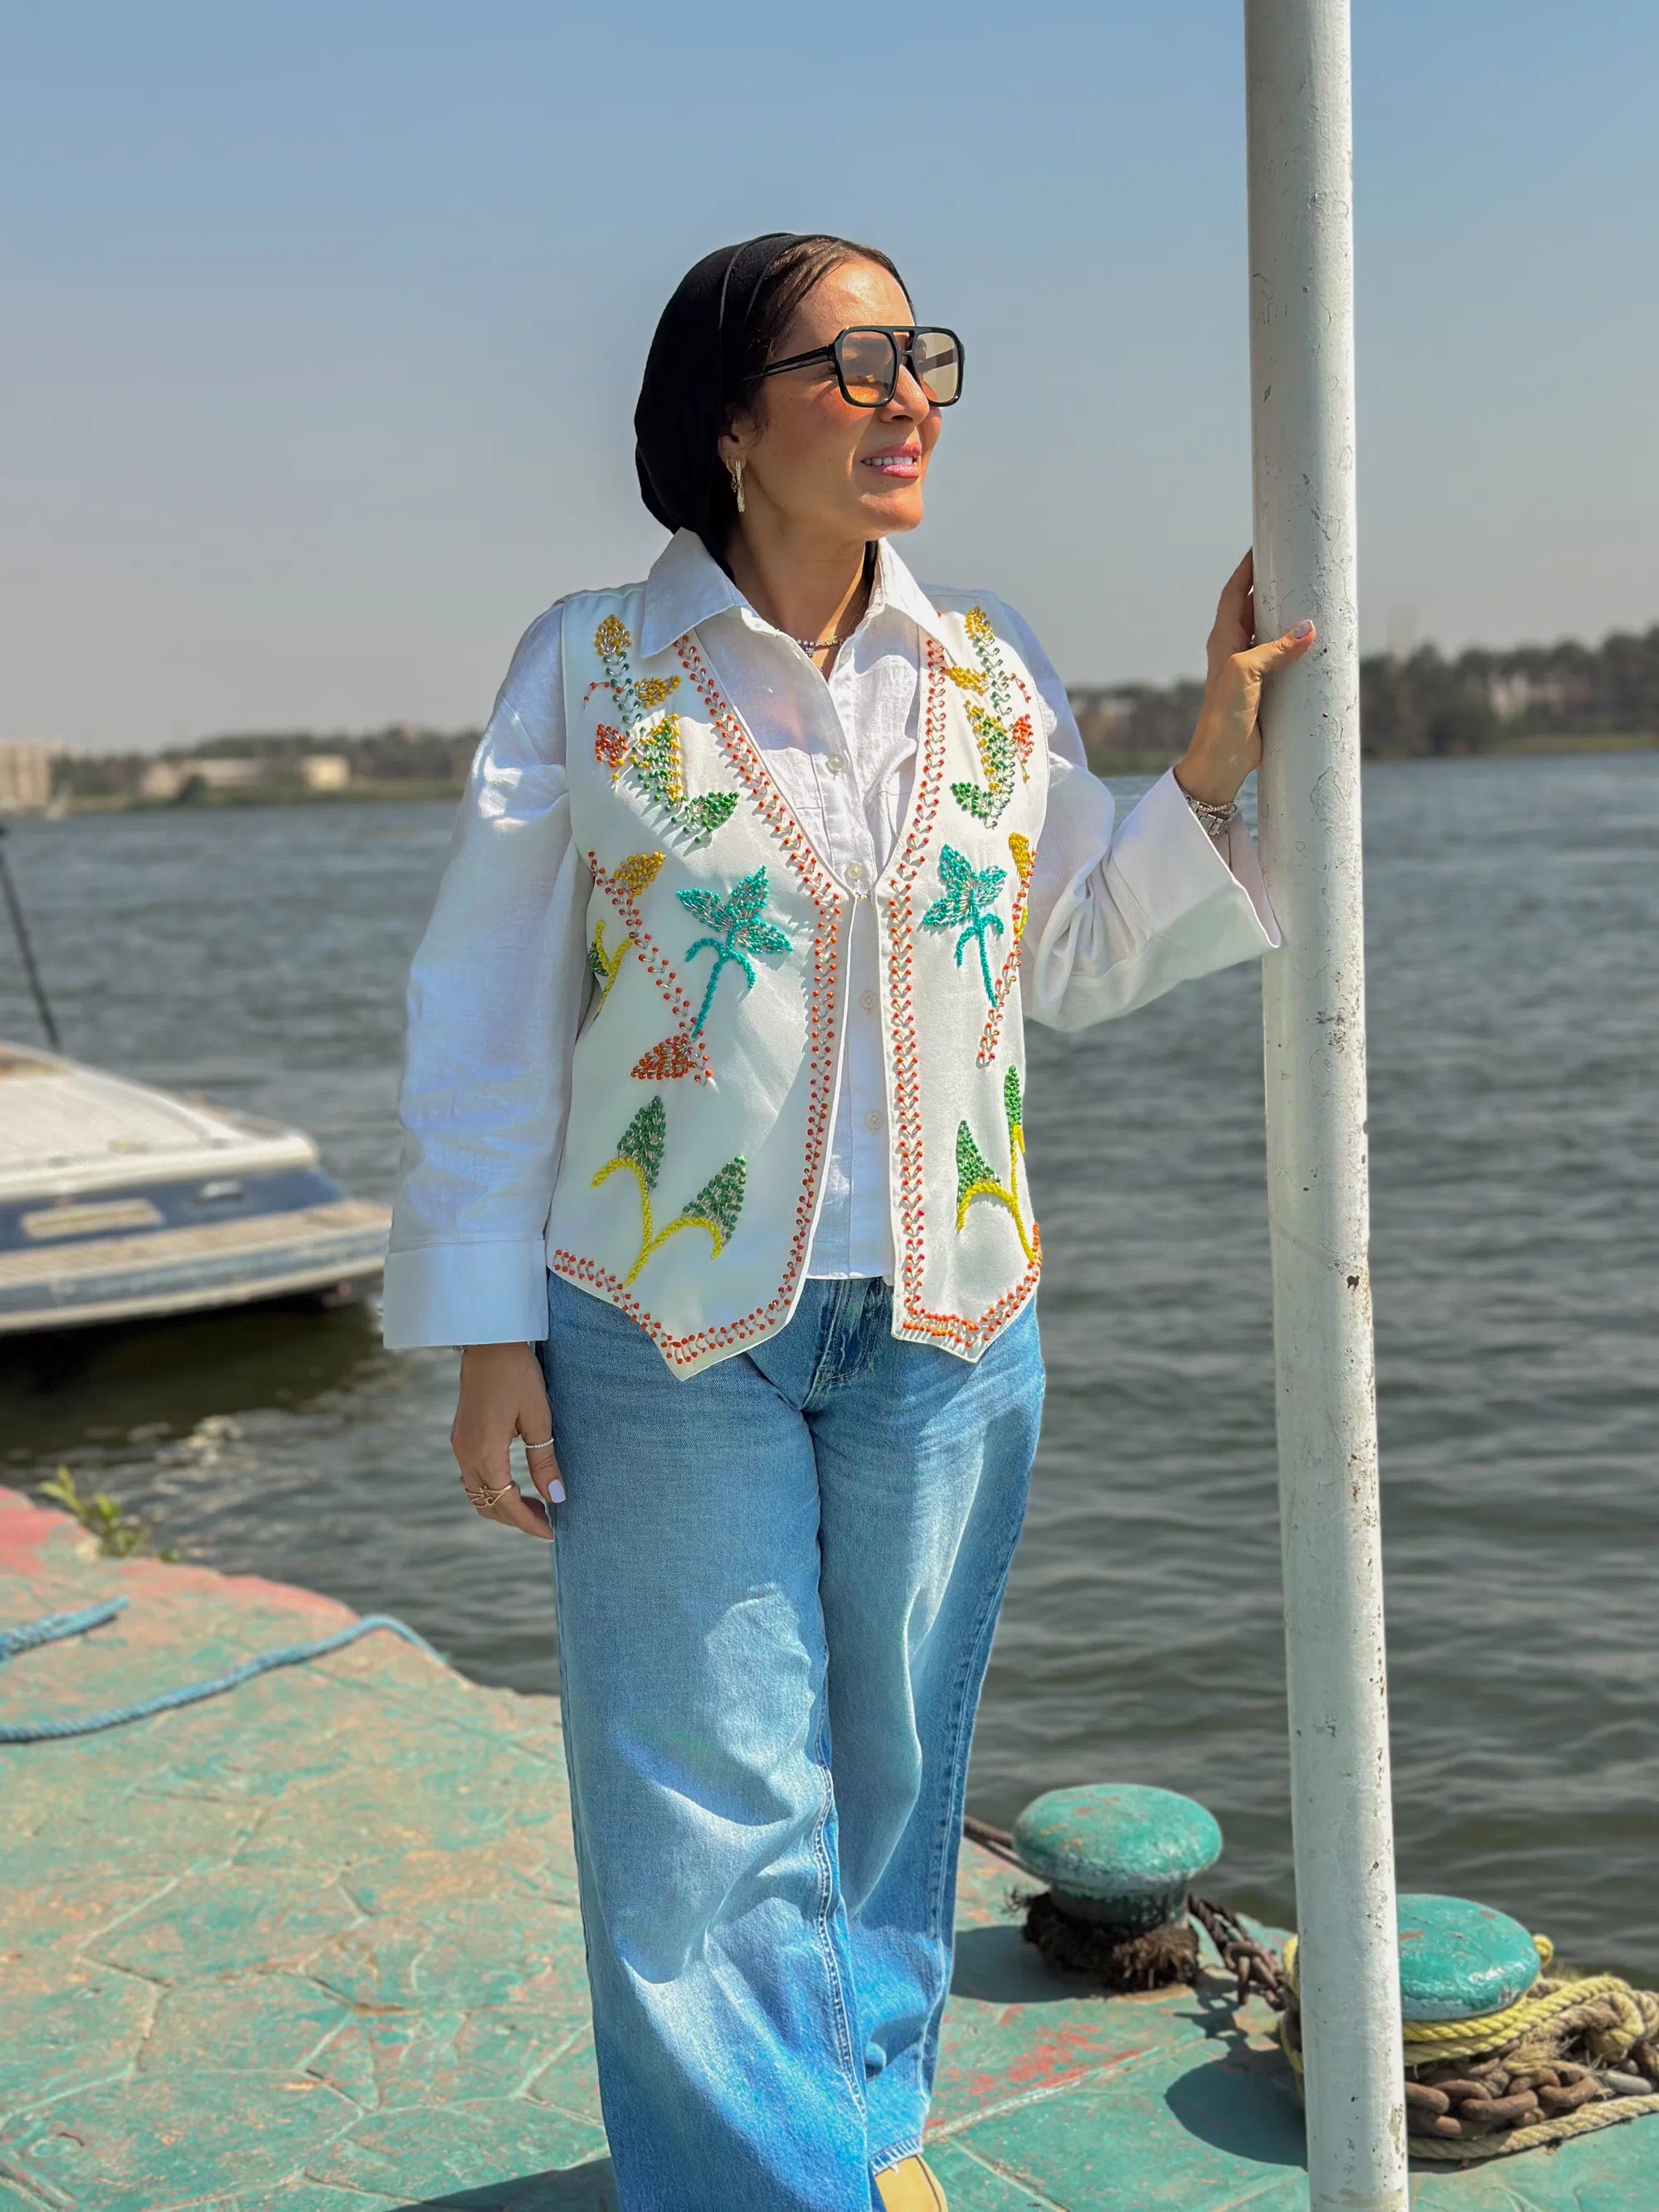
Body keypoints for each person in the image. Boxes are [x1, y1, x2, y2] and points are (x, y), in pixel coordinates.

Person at [382, 231, 1310, 2212]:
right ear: (729, 419)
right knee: (705, 1811)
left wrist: (1210, 766)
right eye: (854, 360)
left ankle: (863, 2127)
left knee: (893, 1785)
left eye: (927, 358)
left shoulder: (986, 671)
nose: (910, 398)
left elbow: (1065, 956)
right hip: (660, 1324)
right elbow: (482, 1012)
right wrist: (482, 1335)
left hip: (954, 1321)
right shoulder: (588, 669)